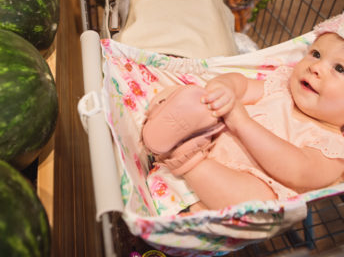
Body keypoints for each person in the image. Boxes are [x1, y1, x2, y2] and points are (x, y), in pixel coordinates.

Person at [142, 14, 344, 211]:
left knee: (262, 202)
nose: (316, 67)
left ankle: (184, 157)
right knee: (200, 100)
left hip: (226, 190)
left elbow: (298, 170)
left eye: (340, 68)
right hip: (205, 137)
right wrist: (223, 88)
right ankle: (170, 120)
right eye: (316, 54)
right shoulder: (281, 87)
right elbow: (243, 86)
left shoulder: (333, 150)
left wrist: (243, 123)